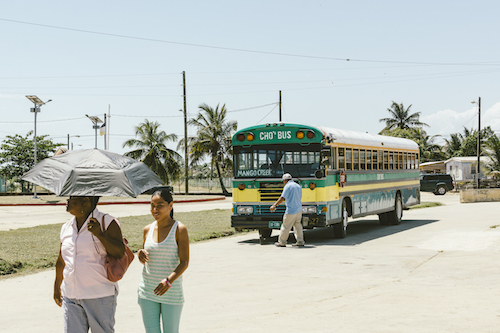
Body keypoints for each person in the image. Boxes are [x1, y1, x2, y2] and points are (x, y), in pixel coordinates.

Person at [54, 196, 126, 333]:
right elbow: (61, 259)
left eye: (72, 198)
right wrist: (57, 286)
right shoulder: (66, 227)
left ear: (85, 201)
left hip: (99, 295)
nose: (67, 201)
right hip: (71, 294)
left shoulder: (107, 222)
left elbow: (120, 252)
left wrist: (100, 234)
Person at [137, 188, 190, 333]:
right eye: (152, 205)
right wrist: (140, 254)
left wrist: (168, 281)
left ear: (170, 205)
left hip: (171, 293)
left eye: (160, 205)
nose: (155, 209)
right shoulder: (147, 229)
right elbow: (147, 256)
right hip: (147, 291)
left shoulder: (179, 229)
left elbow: (184, 262)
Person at [270, 173, 305, 247]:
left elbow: (282, 198)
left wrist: (274, 205)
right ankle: (300, 241)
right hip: (299, 210)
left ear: (285, 180)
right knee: (298, 226)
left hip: (291, 210)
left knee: (285, 226)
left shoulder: (287, 186)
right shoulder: (298, 186)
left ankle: (282, 242)